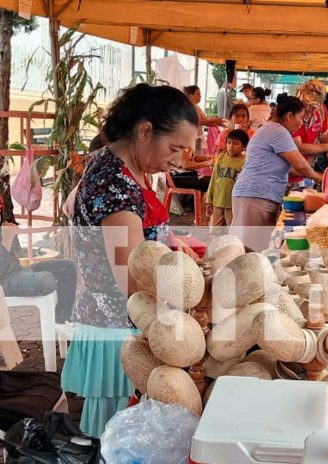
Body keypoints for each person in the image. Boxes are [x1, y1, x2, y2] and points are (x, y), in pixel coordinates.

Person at [61, 84, 200, 437]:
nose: (178, 160)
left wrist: (170, 241)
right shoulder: (114, 185)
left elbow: (141, 241)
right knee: (120, 436)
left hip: (121, 320)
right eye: (175, 148)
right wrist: (189, 291)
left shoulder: (123, 166)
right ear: (144, 130)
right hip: (118, 326)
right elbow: (132, 280)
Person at [231, 95, 323, 251]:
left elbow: (289, 167)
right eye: (301, 117)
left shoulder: (272, 129)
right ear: (289, 116)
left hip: (255, 195)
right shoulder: (277, 131)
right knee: (251, 251)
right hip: (255, 195)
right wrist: (322, 177)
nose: (302, 122)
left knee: (255, 248)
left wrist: (314, 176)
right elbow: (300, 165)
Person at [0, 205, 76, 324]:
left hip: (17, 270)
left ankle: (62, 317)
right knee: (46, 279)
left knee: (67, 266)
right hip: (4, 281)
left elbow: (13, 260)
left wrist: (8, 237)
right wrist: (6, 242)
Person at [290, 80, 328, 187]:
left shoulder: (321, 110)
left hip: (306, 170)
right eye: (307, 104)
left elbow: (324, 135)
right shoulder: (293, 113)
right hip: (289, 173)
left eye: (314, 106)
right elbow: (298, 147)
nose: (310, 110)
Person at [206, 129, 248, 228]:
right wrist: (209, 199)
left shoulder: (245, 162)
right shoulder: (221, 158)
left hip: (232, 205)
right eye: (229, 143)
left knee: (231, 231)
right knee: (215, 230)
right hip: (218, 202)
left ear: (244, 147)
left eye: (235, 143)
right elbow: (213, 179)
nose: (231, 146)